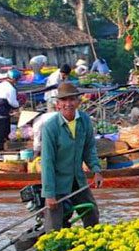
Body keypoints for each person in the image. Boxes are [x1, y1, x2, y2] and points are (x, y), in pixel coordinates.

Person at [39, 82, 102, 232]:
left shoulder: (84, 120)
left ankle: (91, 245)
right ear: (58, 104)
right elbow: (47, 162)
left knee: (92, 214)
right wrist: (49, 194)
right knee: (54, 226)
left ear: (78, 102)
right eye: (64, 101)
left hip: (77, 179)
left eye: (72, 99)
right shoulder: (50, 127)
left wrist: (96, 170)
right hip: (57, 182)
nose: (68, 104)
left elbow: (89, 148)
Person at [0, 69, 21, 151]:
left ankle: (7, 145)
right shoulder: (11, 89)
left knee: (6, 129)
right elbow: (13, 103)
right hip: (0, 111)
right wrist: (19, 104)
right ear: (14, 79)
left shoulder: (0, 85)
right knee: (2, 132)